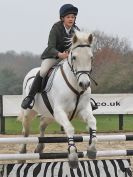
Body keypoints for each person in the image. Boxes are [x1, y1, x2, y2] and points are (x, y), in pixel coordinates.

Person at [21, 4, 79, 109]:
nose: (71, 19)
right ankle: (30, 98)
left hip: (68, 58)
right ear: (62, 18)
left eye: (73, 17)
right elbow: (50, 46)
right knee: (43, 71)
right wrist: (60, 54)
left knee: (81, 71)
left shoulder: (76, 30)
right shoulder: (56, 28)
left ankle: (86, 99)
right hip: (53, 56)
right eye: (68, 17)